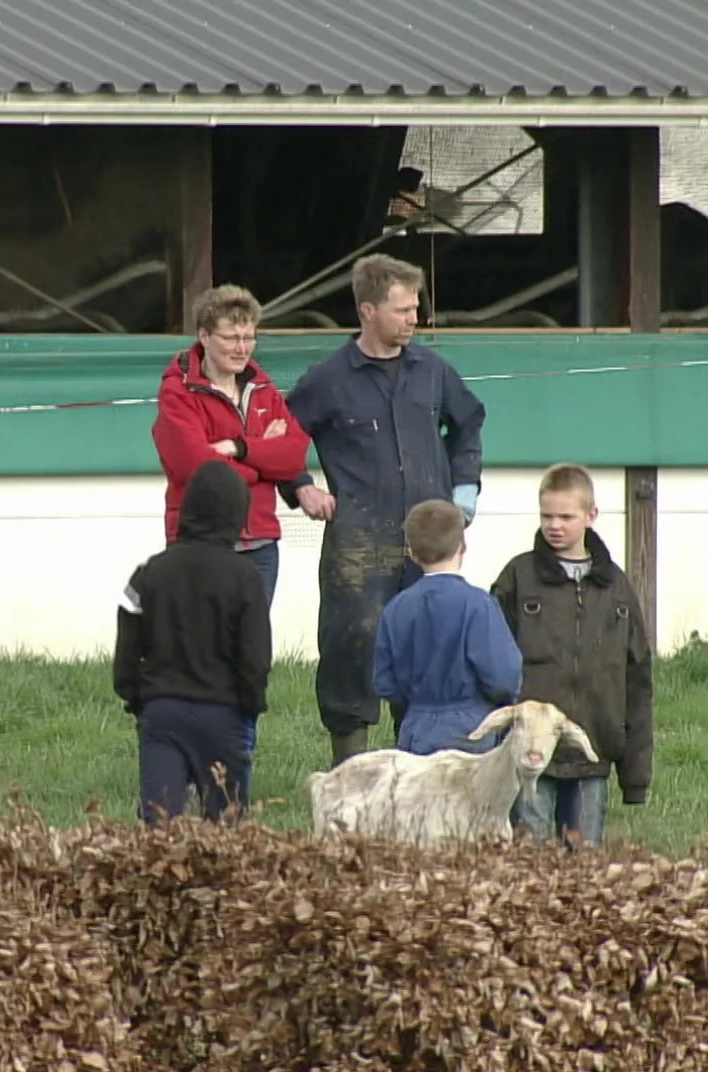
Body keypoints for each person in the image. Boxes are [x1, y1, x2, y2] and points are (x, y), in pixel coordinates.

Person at [278, 254, 488, 766]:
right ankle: (350, 770)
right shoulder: (328, 378)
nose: (415, 319)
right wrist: (300, 484)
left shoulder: (432, 371)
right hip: (358, 541)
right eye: (402, 310)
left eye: (416, 308)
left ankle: (418, 766)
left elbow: (469, 422)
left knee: (428, 648)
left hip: (429, 538)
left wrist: (464, 488)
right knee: (354, 649)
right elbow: (278, 435)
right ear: (367, 311)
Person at [489, 463, 654, 849]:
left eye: (566, 516)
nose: (555, 525)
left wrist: (635, 774)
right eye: (547, 515)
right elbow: (493, 663)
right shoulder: (517, 578)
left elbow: (637, 678)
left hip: (593, 751)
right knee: (531, 860)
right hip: (532, 753)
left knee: (584, 869)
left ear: (591, 516)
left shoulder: (616, 588)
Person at [112, 459, 273, 827]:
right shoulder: (245, 579)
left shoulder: (149, 572)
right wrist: (251, 706)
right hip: (224, 714)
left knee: (160, 826)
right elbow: (256, 658)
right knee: (225, 830)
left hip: (162, 711)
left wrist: (137, 696)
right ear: (237, 515)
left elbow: (126, 650)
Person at [152, 284, 311, 606]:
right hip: (201, 545)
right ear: (205, 336)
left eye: (249, 337)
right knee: (201, 646)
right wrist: (264, 463)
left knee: (251, 646)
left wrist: (240, 449)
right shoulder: (178, 394)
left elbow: (294, 457)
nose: (242, 348)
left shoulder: (264, 389)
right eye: (231, 338)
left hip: (261, 545)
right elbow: (199, 471)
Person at [373, 499, 523, 756]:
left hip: (416, 727)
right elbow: (503, 677)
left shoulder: (396, 608)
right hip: (472, 728)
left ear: (412, 554)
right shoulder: (479, 605)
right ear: (462, 546)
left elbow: (385, 682)